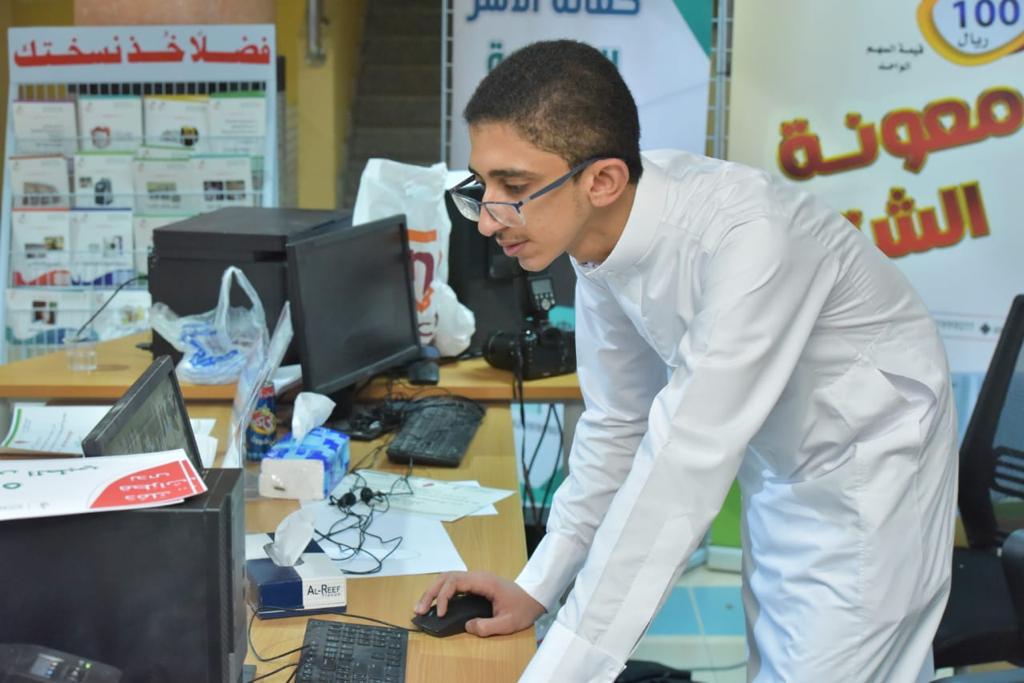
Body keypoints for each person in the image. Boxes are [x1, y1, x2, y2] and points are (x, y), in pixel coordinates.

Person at [415, 39, 957, 682]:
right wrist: (539, 585)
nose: (486, 220)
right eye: (483, 185)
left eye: (515, 187)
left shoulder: (747, 238)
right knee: (780, 658)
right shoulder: (597, 232)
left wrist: (558, 671)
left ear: (602, 180)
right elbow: (619, 422)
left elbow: (680, 467)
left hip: (872, 466)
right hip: (785, 459)